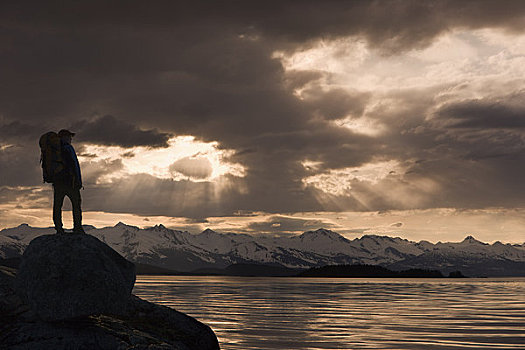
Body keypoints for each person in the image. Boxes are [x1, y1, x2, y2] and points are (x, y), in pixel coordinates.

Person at [53, 129, 84, 234]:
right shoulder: (68, 148)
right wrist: (78, 182)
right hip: (71, 183)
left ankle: (58, 228)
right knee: (76, 204)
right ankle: (77, 228)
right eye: (69, 136)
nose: (71, 139)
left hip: (57, 183)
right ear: (65, 137)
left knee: (57, 205)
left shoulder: (54, 150)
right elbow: (75, 165)